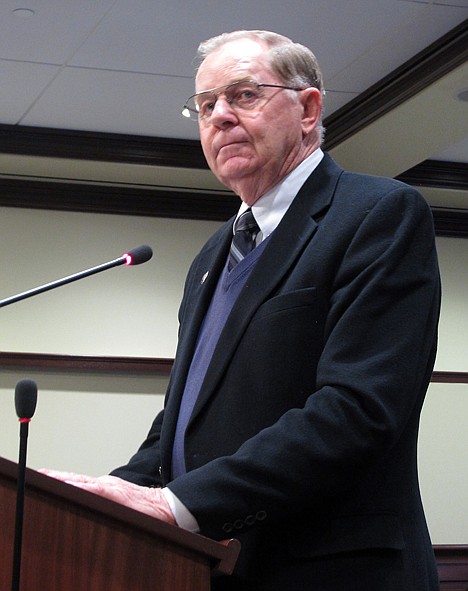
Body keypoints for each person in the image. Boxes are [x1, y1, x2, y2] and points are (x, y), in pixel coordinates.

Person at [44, 30, 441, 590]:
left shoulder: (377, 215)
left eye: (244, 95)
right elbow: (183, 423)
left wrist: (181, 504)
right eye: (205, 105)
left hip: (331, 572)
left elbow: (356, 411)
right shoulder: (212, 254)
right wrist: (105, 497)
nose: (219, 117)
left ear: (308, 109)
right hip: (215, 569)